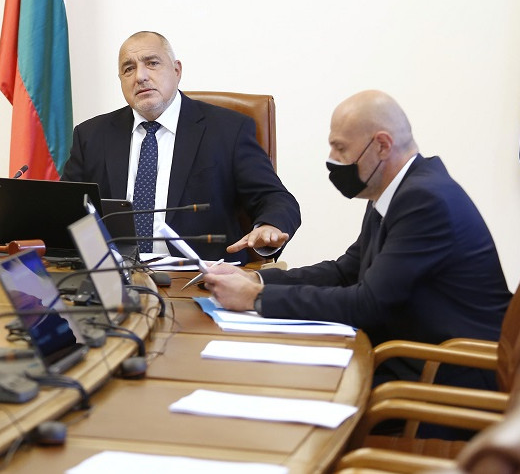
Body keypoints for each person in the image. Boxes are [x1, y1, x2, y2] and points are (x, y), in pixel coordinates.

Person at [206, 90, 511, 393]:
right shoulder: (394, 191)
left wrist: (256, 297)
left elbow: (367, 304)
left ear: (382, 145)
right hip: (410, 357)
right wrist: (256, 279)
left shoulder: (424, 200)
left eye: (340, 148)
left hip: (447, 374)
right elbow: (345, 271)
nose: (332, 160)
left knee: (291, 387)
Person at [62, 31, 301, 264]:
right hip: (116, 275)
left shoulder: (228, 130)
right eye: (128, 69)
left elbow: (275, 198)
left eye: (152, 63)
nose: (140, 76)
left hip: (203, 276)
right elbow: (67, 210)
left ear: (177, 70)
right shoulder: (91, 135)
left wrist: (269, 226)